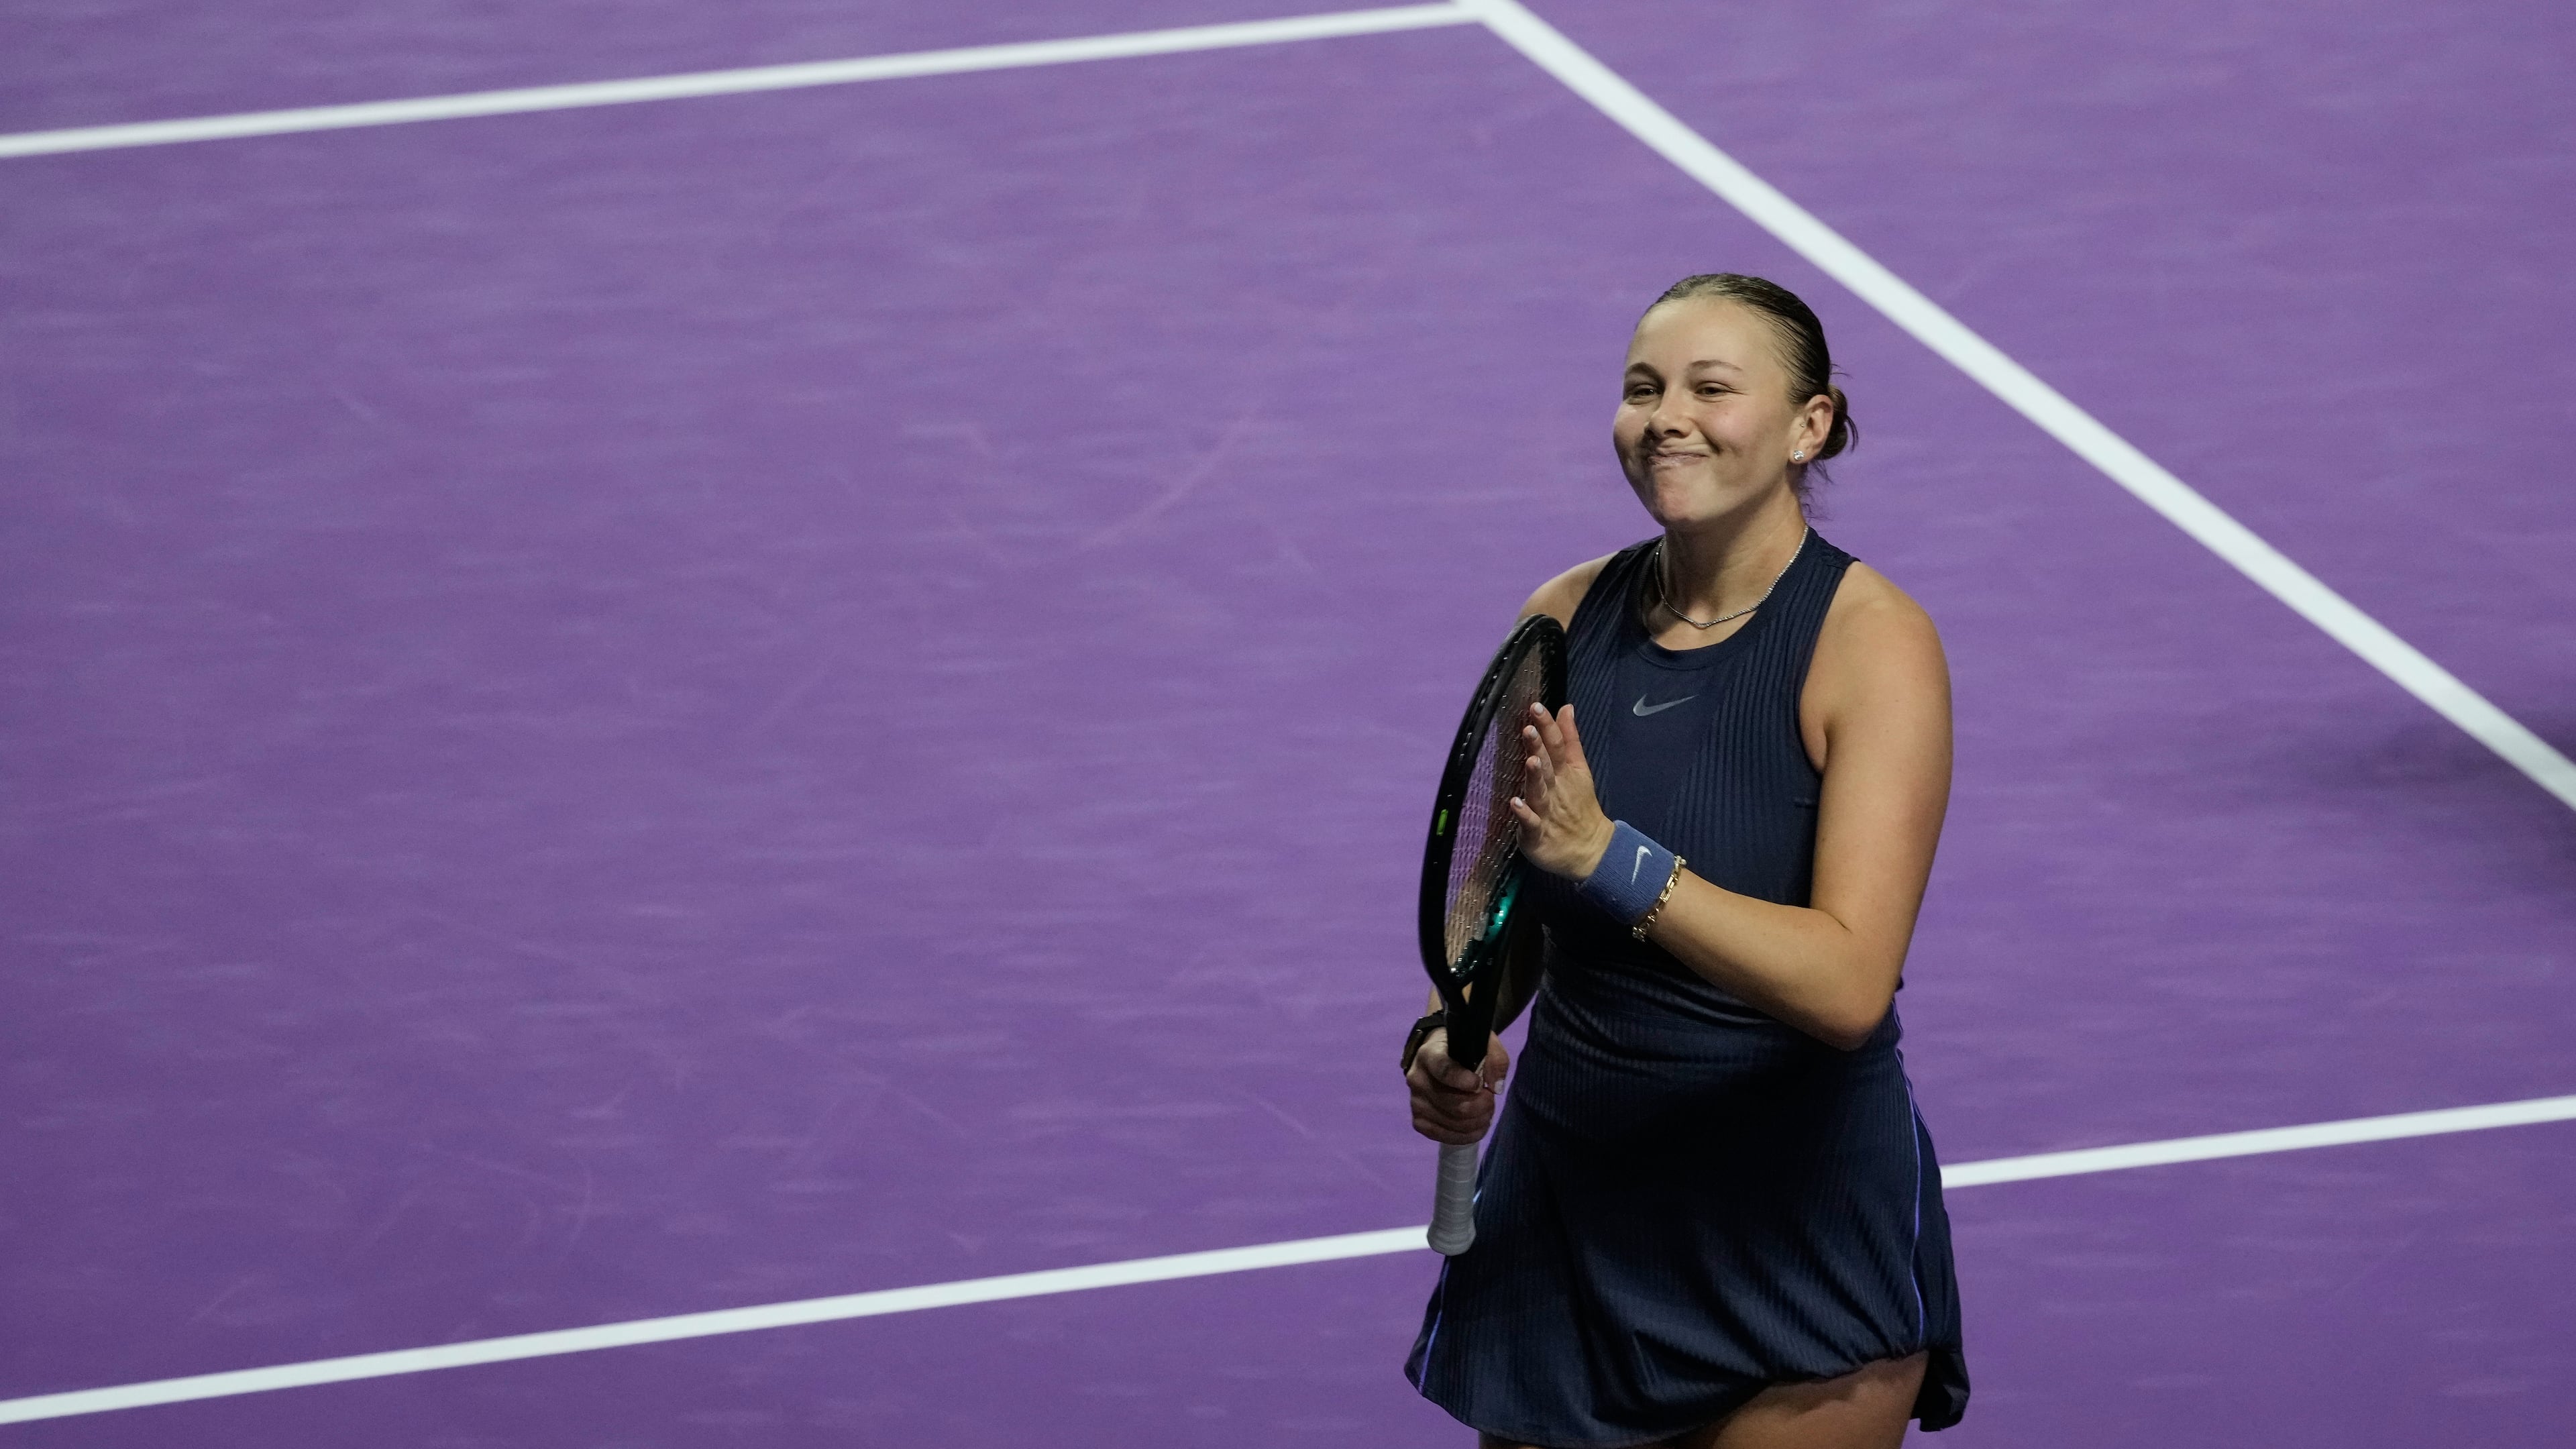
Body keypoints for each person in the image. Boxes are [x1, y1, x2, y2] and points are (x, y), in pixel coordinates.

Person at [1401, 274, 1969, 1448]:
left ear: (1809, 425)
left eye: (1712, 388)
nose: (1668, 418)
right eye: (1643, 388)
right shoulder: (1561, 620)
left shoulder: (1874, 645)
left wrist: (1609, 856)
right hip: (1568, 1225)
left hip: (1790, 1237)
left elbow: (1848, 985)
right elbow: (1504, 919)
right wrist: (1449, 1036)